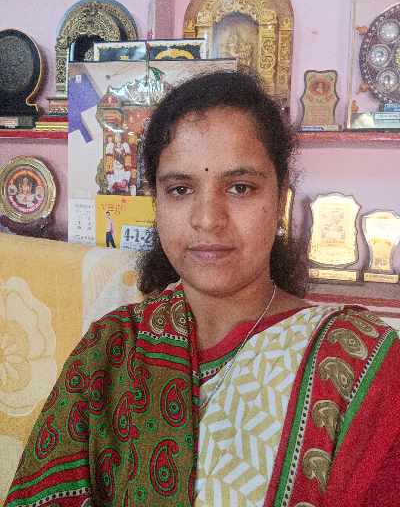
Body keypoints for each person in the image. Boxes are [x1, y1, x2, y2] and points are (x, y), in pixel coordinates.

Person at [5, 71, 400, 507]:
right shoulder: (111, 350)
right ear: (156, 203)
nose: (208, 219)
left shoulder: (359, 361)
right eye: (180, 189)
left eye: (240, 188)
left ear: (280, 198)